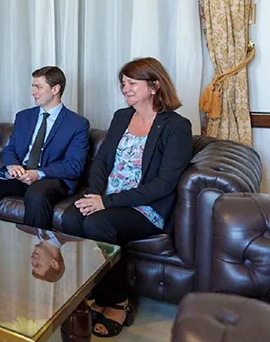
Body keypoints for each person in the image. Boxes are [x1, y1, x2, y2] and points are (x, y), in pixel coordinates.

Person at [60, 58, 192, 338]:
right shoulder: (121, 116)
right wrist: (95, 194)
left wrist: (105, 203)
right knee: (70, 217)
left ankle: (119, 301)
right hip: (107, 198)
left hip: (146, 208)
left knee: (97, 224)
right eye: (123, 83)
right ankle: (100, 293)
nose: (125, 89)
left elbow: (164, 184)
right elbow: (102, 161)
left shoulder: (176, 126)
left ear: (154, 86)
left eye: (132, 83)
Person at [0, 66, 89, 229]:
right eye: (33, 86)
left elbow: (74, 166)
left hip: (50, 178)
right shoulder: (24, 116)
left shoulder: (77, 124)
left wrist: (38, 174)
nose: (33, 92)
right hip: (20, 174)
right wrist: (13, 165)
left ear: (55, 89)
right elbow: (10, 149)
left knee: (36, 194)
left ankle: (35, 244)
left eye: (38, 87)